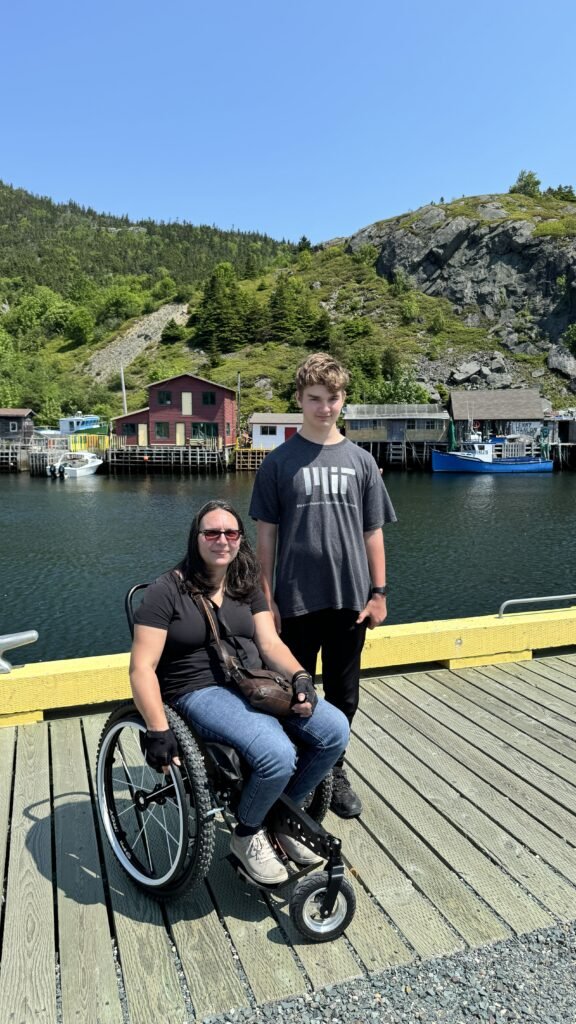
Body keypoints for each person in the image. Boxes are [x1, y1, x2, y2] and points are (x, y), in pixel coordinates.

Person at [129, 498, 350, 887]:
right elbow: (141, 668)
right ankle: (247, 833)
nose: (222, 540)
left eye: (230, 533)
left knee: (334, 729)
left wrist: (299, 677)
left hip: (254, 679)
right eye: (211, 532)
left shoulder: (245, 583)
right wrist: (156, 728)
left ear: (239, 539)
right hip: (197, 690)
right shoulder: (167, 590)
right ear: (195, 538)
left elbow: (269, 643)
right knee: (276, 753)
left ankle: (283, 814)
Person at [249, 353, 396, 819]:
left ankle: (335, 765)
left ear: (342, 400)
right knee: (295, 689)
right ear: (299, 399)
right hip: (293, 600)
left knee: (344, 692)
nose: (324, 408)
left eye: (332, 398)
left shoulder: (361, 461)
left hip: (350, 599)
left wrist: (379, 594)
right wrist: (266, 598)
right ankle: (299, 768)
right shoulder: (278, 463)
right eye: (315, 398)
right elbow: (265, 535)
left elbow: (373, 532)